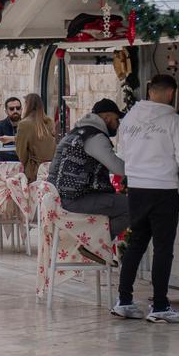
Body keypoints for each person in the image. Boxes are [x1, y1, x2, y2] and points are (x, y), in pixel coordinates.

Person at [112, 76, 179, 323]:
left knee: (136, 243)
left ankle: (124, 300)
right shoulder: (174, 121)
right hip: (163, 189)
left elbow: (122, 154)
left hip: (137, 188)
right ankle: (159, 304)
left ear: (149, 91)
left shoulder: (128, 119)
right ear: (171, 93)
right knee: (163, 248)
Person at [49, 97, 130, 245]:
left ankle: (93, 241)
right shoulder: (95, 137)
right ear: (106, 117)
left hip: (60, 197)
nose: (117, 124)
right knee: (133, 206)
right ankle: (96, 244)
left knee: (116, 203)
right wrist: (142, 168)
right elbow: (119, 168)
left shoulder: (77, 132)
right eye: (116, 119)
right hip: (75, 199)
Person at [14, 92, 57, 184]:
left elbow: (21, 152)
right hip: (50, 169)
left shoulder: (24, 124)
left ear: (27, 105)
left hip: (33, 171)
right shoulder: (49, 122)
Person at [0, 96, 23, 162]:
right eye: (11, 109)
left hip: (23, 164)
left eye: (18, 108)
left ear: (22, 109)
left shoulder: (27, 126)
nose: (15, 111)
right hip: (3, 165)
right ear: (6, 111)